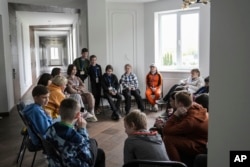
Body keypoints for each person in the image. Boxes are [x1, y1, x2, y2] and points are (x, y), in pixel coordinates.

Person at [45, 98, 106, 167]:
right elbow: (88, 157)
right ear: (78, 115)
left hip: (55, 162)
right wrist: (83, 129)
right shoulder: (76, 138)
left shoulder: (50, 128)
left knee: (94, 143)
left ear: (59, 111)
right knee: (99, 151)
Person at [162, 91, 208, 165]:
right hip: (200, 138)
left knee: (168, 139)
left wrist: (175, 115)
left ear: (180, 104)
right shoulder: (196, 106)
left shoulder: (190, 121)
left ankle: (177, 165)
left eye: (175, 102)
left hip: (200, 144)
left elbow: (166, 130)